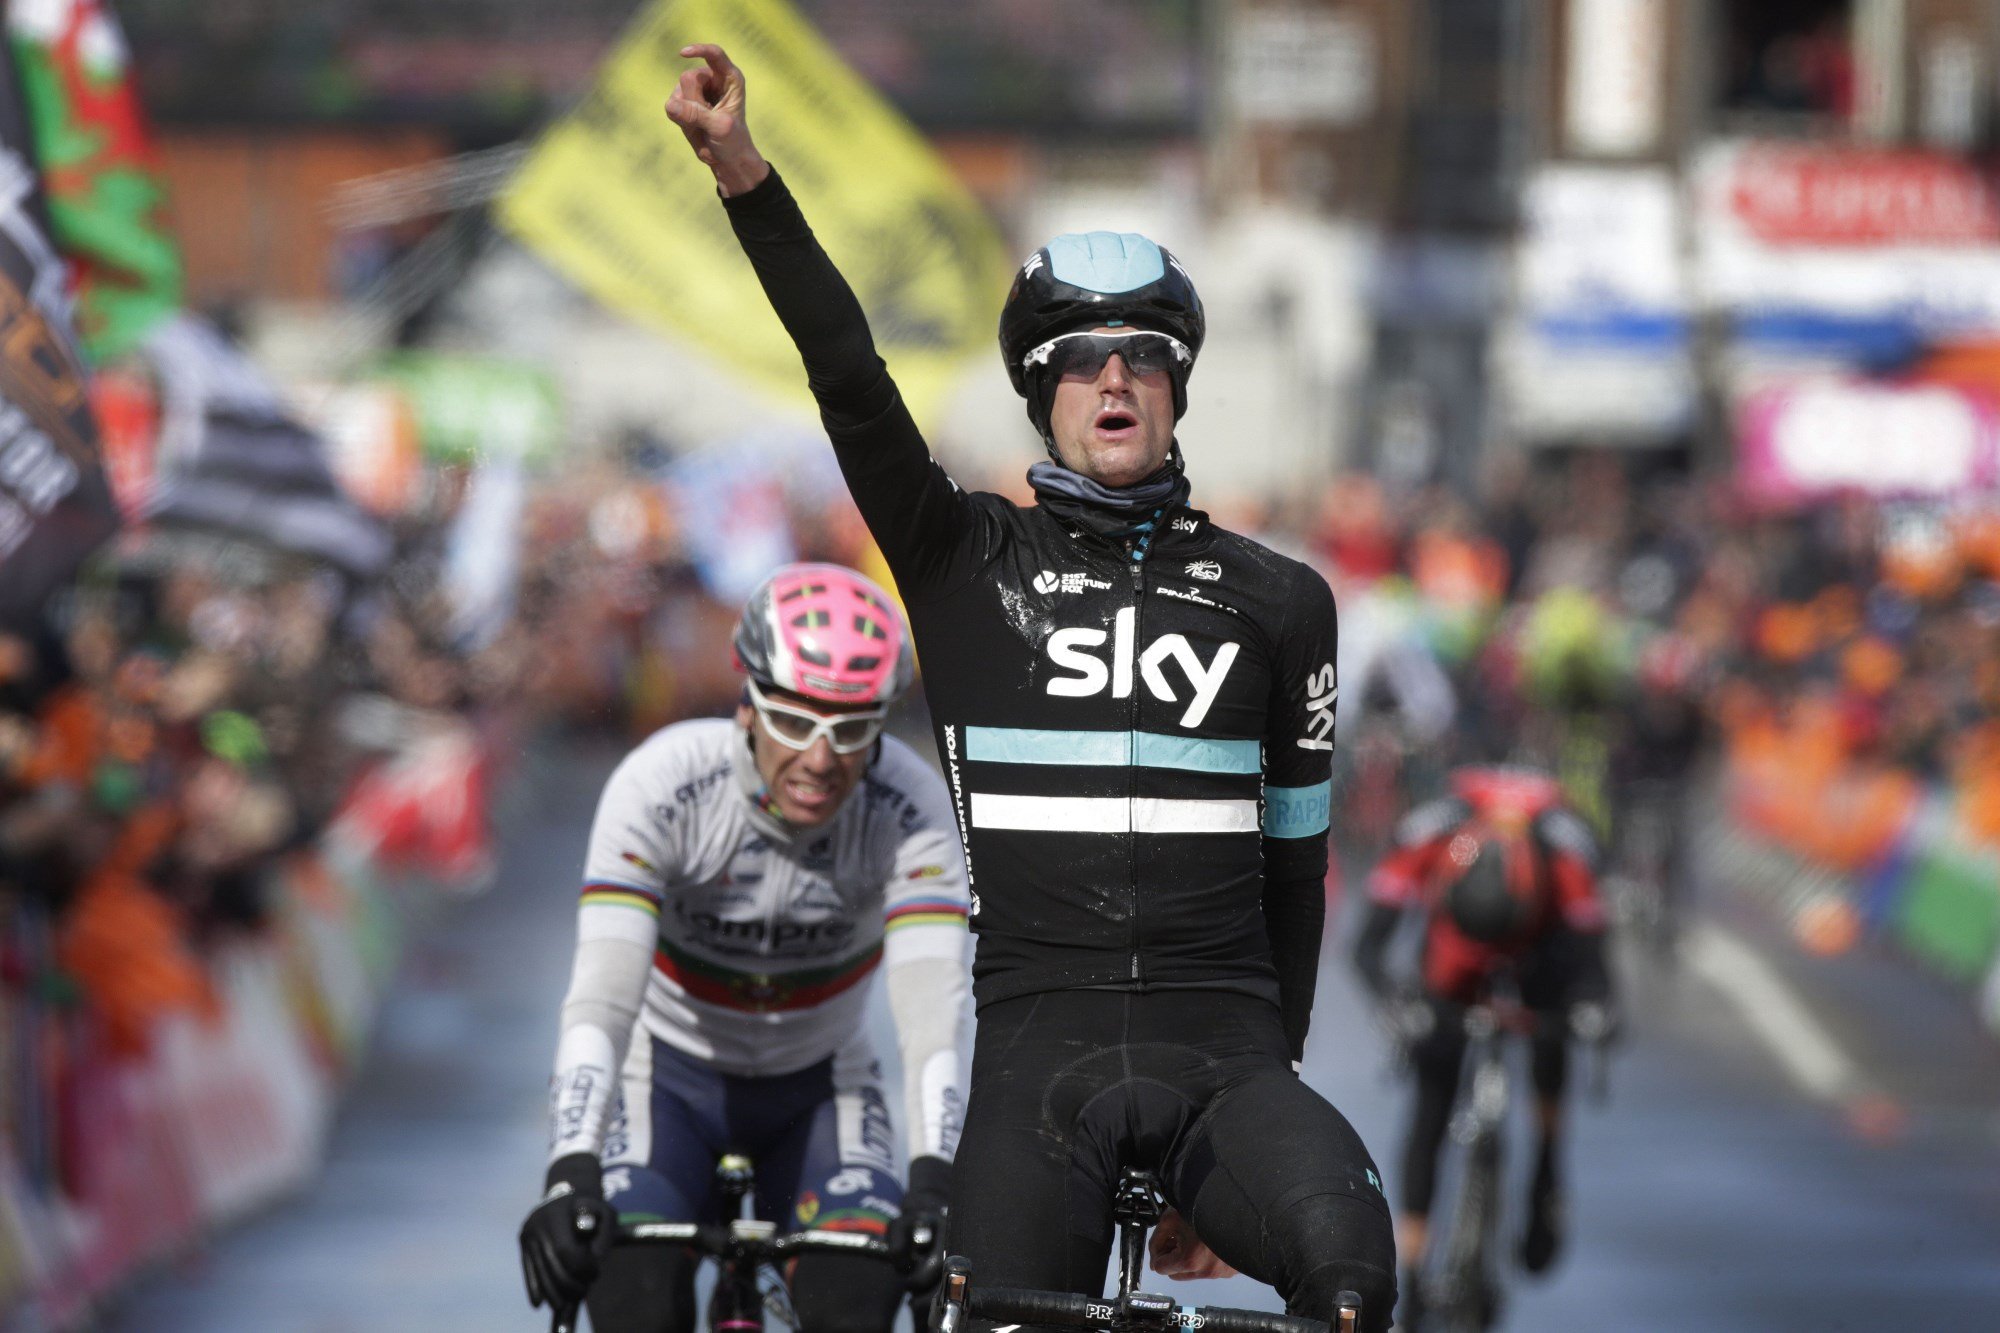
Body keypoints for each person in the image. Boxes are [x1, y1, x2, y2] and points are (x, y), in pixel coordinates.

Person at [664, 45, 1396, 1331]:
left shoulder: (1284, 601)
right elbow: (848, 375)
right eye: (1077, 357)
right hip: (1035, 1069)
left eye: (1140, 354)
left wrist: (1268, 1092)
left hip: (1229, 1066)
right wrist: (744, 179)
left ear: (1175, 386)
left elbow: (1296, 874)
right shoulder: (962, 562)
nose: (1111, 377)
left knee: (1355, 1280)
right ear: (1037, 392)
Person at [517, 563, 972, 1333]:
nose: (820, 759)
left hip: (822, 1086)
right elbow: (601, 996)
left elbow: (935, 1018)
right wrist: (570, 1166)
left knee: (857, 1303)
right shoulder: (662, 783)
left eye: (851, 729)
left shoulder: (911, 806)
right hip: (665, 1079)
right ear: (748, 704)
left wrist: (936, 1182)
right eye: (794, 720)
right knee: (632, 1295)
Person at [1351, 764, 1616, 1329]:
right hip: (1451, 962)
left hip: (1541, 950)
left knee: (1554, 1030)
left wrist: (1595, 1011)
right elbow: (1367, 947)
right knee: (1431, 1092)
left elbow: (1594, 963)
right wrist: (1396, 1003)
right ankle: (1413, 1270)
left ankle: (1547, 1171)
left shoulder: (1566, 855)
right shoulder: (1427, 834)